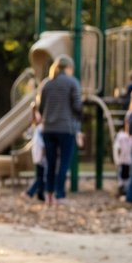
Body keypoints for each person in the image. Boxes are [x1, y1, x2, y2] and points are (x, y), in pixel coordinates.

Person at [35, 55, 83, 206]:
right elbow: (77, 106)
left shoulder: (47, 84)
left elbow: (41, 108)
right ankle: (60, 194)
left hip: (48, 128)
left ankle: (49, 196)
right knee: (63, 163)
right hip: (66, 128)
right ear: (68, 67)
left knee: (50, 163)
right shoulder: (72, 82)